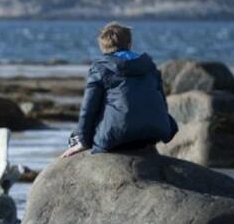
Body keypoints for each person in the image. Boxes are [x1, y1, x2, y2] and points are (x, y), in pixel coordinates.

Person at [60, 22, 178, 158]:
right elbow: (162, 103)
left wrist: (83, 142)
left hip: (118, 136)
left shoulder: (101, 68)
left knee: (75, 136)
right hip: (154, 133)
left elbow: (89, 109)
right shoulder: (149, 66)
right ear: (129, 44)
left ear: (103, 47)